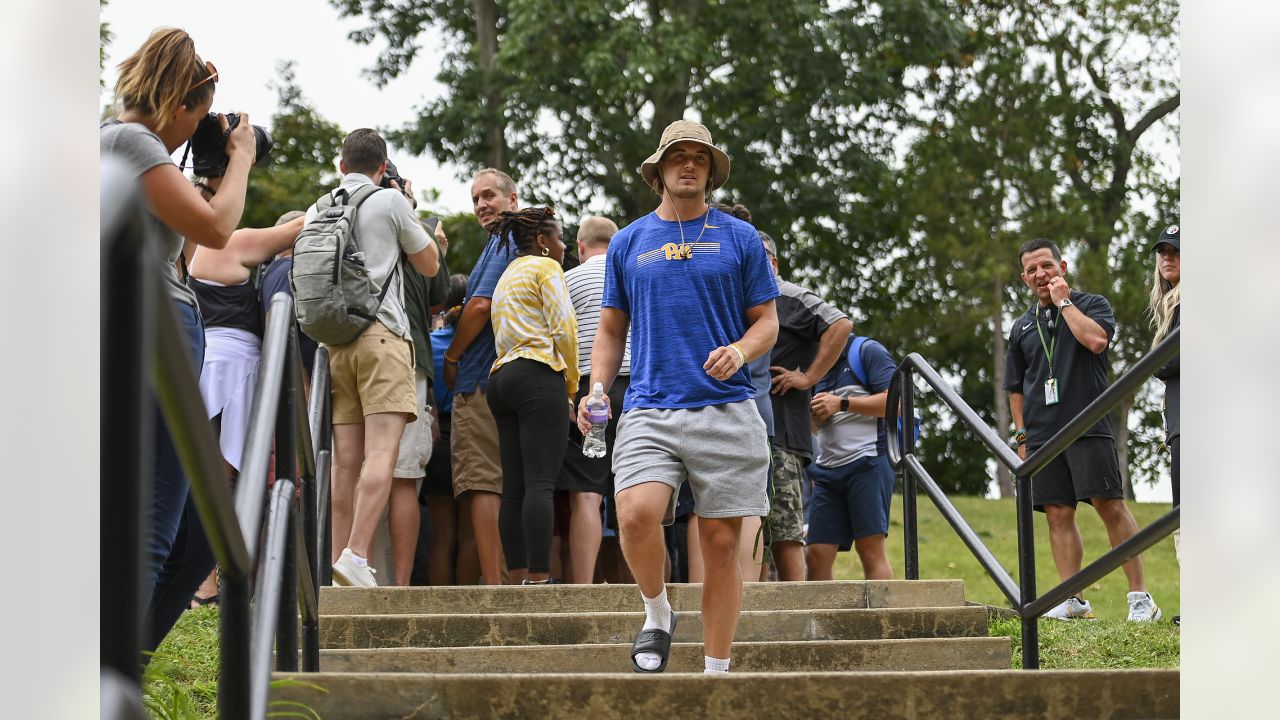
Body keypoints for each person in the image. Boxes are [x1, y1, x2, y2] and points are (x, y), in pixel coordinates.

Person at [580, 120, 779, 674]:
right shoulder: (629, 241)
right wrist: (597, 387)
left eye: (699, 157)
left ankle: (715, 675)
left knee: (719, 545)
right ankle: (657, 611)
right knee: (637, 513)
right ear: (660, 170)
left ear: (711, 171)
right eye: (677, 157)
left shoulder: (740, 239)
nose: (688, 164)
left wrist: (740, 351)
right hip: (649, 404)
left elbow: (767, 322)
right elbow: (610, 330)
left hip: (727, 408)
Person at [101, 27, 259, 653]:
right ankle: (106, 675)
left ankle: (125, 665)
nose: (193, 135)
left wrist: (206, 177)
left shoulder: (133, 151)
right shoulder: (130, 141)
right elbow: (219, 231)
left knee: (197, 534)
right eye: (196, 121)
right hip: (152, 330)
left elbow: (191, 240)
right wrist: (240, 157)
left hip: (161, 325)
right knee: (156, 526)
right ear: (179, 103)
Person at [1005, 237, 1160, 622]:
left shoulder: (1091, 305)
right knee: (1058, 513)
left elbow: (1096, 341)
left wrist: (1063, 302)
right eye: (1032, 270)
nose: (1041, 274)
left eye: (1047, 265)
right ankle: (1071, 598)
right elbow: (1015, 388)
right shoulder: (1022, 326)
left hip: (1088, 426)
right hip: (1042, 437)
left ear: (1063, 266)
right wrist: (1022, 437)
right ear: (1023, 278)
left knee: (1110, 505)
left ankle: (1140, 599)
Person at [312, 128, 440, 587]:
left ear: (341, 165)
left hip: (335, 344)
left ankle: (334, 559)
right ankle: (357, 554)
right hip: (382, 338)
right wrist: (403, 207)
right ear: (383, 167)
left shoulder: (320, 207)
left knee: (344, 463)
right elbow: (430, 265)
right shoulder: (390, 203)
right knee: (382, 453)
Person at [186, 203, 305, 607]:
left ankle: (215, 580)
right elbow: (298, 227)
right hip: (226, 373)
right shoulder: (226, 241)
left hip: (225, 367)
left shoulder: (197, 251)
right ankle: (206, 585)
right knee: (219, 480)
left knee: (227, 480)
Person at [486, 207, 577, 584]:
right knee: (541, 482)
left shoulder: (506, 275)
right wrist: (571, 384)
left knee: (514, 487)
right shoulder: (547, 269)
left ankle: (518, 575)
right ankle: (539, 579)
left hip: (502, 377)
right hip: (538, 374)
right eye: (558, 237)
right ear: (542, 241)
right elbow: (564, 329)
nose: (563, 244)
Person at [442, 169, 521, 585]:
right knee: (505, 483)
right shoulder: (520, 239)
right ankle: (508, 578)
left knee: (483, 482)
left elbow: (480, 307)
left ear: (512, 198)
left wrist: (452, 356)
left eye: (488, 195)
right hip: (509, 377)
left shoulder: (505, 238)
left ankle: (496, 586)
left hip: (480, 379)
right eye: (475, 199)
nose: (481, 206)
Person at [765, 232, 853, 580]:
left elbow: (841, 323)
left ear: (773, 262)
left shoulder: (788, 296)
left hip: (784, 434)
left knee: (785, 530)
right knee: (752, 529)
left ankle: (798, 612)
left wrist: (808, 376)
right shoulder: (737, 298)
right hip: (745, 429)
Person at [374, 217, 451, 585]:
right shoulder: (414, 229)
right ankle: (401, 587)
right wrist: (436, 248)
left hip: (354, 354)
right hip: (408, 358)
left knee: (356, 472)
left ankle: (355, 577)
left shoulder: (346, 216)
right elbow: (441, 295)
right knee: (403, 477)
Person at [558, 215, 629, 584]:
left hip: (591, 391)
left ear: (581, 247)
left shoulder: (568, 280)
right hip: (636, 387)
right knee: (638, 491)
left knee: (587, 493)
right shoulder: (630, 272)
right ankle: (646, 592)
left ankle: (584, 588)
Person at [806, 334, 898, 581]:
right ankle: (821, 618)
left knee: (870, 550)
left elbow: (897, 402)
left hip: (868, 462)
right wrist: (817, 418)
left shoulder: (867, 351)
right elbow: (815, 426)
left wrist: (843, 404)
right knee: (815, 555)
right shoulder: (814, 365)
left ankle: (883, 618)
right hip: (827, 470)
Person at [415, 274, 473, 585]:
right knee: (469, 533)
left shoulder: (427, 342)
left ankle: (439, 602)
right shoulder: (477, 343)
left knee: (441, 535)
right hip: (470, 433)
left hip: (435, 436)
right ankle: (466, 605)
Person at [1148, 223, 1180, 623]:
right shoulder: (1171, 305)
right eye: (1162, 251)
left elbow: (1171, 361)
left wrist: (1156, 362)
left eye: (1176, 250)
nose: (1167, 256)